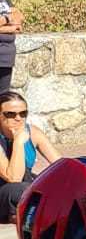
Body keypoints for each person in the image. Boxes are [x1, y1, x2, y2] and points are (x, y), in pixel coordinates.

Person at [0, 90, 57, 223]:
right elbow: (13, 178)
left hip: (22, 188)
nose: (18, 118)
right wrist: (19, 142)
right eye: (10, 114)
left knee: (46, 185)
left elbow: (61, 164)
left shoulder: (33, 133)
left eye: (23, 113)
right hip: (6, 191)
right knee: (23, 189)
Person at [0, 0, 20, 98]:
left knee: (3, 99)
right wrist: (8, 20)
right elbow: (12, 19)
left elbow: (19, 17)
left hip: (6, 58)